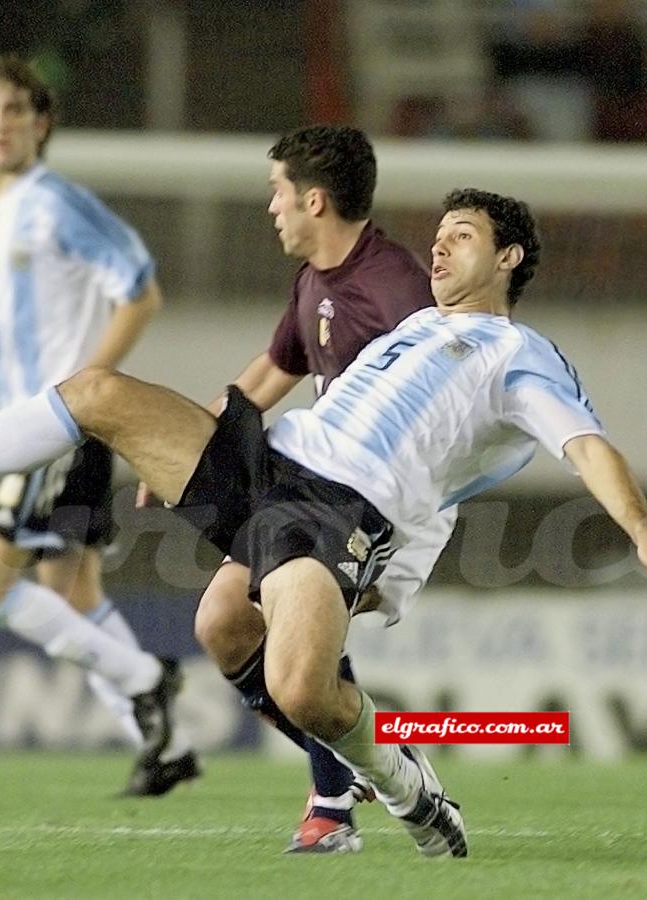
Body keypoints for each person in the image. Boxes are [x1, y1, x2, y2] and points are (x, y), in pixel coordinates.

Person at [0, 187, 647, 858]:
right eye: (438, 233)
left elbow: (583, 444)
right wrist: (194, 438)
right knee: (99, 401)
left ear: (511, 259)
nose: (438, 249)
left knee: (297, 688)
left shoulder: (515, 354)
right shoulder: (410, 329)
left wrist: (638, 528)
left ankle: (409, 792)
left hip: (340, 509)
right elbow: (286, 372)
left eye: (463, 237)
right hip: (272, 464)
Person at [0, 54, 197, 796]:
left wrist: (86, 392)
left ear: (41, 123)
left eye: (16, 110)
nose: (1, 123)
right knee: (72, 593)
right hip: (25, 426)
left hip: (65, 429)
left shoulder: (59, 203)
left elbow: (140, 291)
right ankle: (158, 743)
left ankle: (144, 678)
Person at [172, 124, 450, 853]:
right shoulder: (314, 283)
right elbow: (266, 377)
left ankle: (335, 797)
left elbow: (452, 383)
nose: (271, 208)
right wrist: (187, 447)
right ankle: (355, 771)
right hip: (313, 496)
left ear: (314, 201)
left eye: (277, 193)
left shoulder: (396, 289)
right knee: (223, 625)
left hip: (381, 504)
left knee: (294, 649)